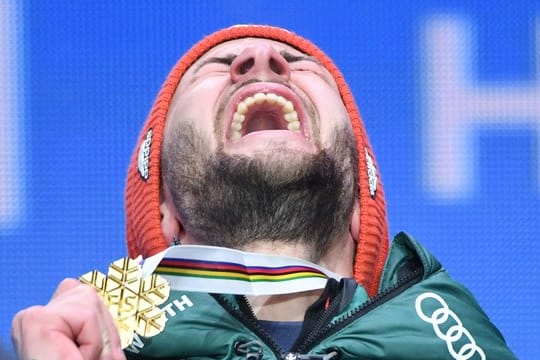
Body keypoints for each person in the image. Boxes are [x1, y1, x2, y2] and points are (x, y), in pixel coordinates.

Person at [11, 25, 516, 360]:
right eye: (215, 66)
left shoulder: (460, 343)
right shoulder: (87, 337)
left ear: (361, 204)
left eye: (300, 62)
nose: (262, 56)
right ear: (164, 210)